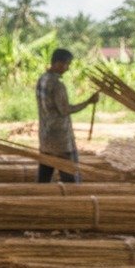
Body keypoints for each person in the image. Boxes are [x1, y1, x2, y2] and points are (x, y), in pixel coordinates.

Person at [35, 48, 98, 184]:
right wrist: (88, 102)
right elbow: (64, 110)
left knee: (44, 176)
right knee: (70, 177)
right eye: (67, 64)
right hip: (61, 139)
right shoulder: (57, 85)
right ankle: (73, 202)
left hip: (46, 136)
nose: (67, 68)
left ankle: (39, 198)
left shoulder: (42, 80)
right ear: (58, 63)